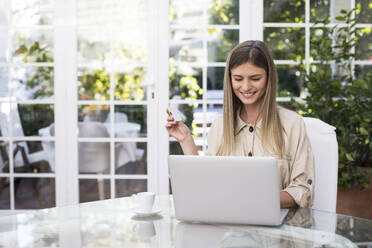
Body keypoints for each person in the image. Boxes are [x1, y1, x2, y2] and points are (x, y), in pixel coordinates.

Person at [165, 40, 314, 209]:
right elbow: (207, 185)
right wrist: (186, 139)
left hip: (278, 229)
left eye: (255, 78)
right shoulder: (219, 127)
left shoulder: (293, 124)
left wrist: (252, 198)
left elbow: (303, 191)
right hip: (227, 229)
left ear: (269, 78)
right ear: (230, 80)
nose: (246, 86)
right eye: (238, 79)